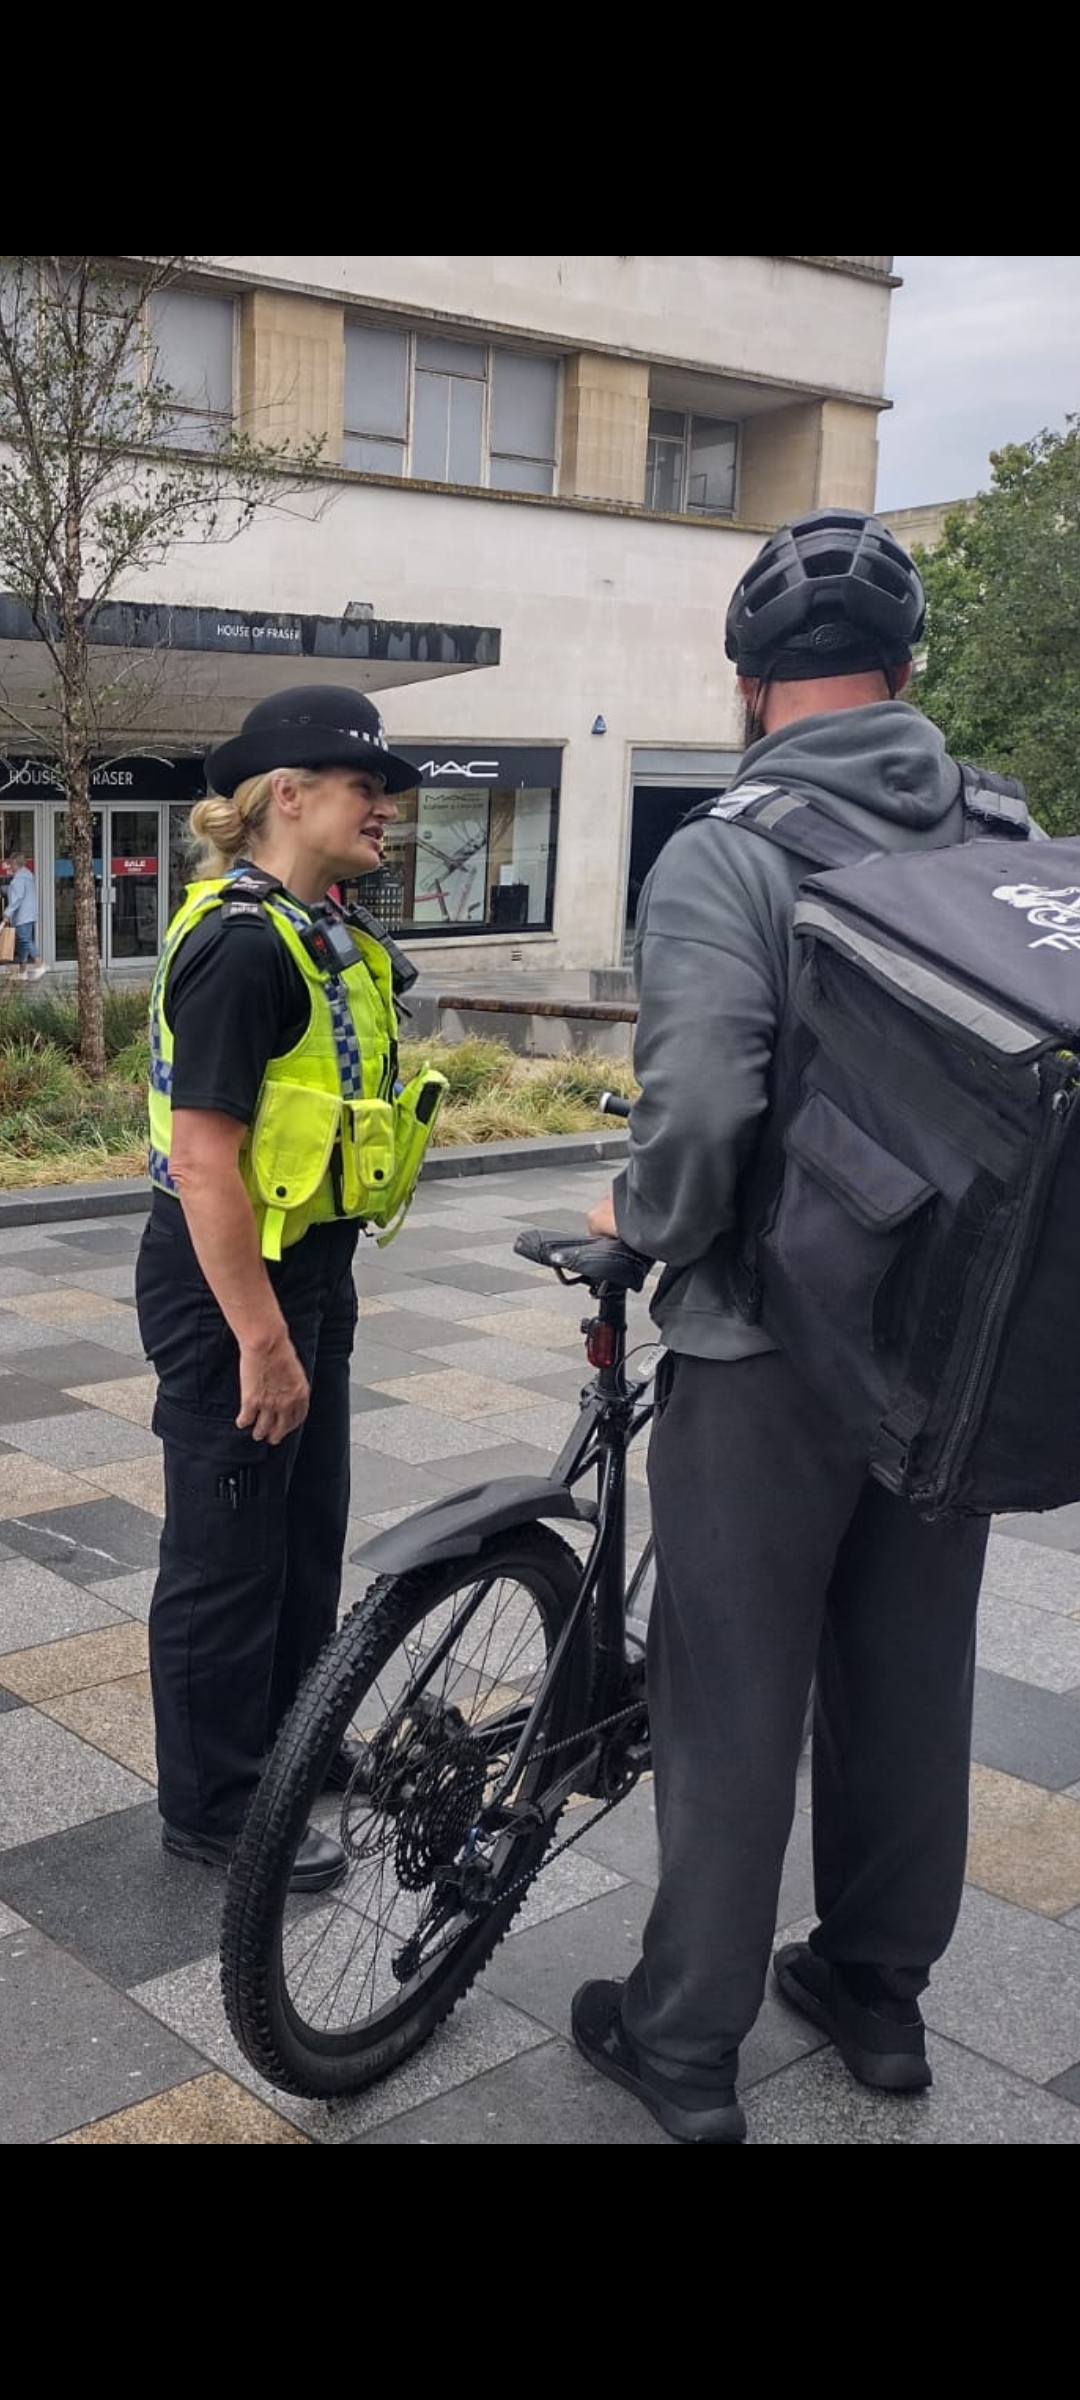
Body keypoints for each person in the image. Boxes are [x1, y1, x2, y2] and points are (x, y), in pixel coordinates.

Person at [573, 508, 1038, 2144]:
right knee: (910, 1672)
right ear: (908, 672)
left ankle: (686, 2041)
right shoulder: (1008, 823)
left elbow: (700, 1104)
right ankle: (877, 1993)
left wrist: (654, 1229)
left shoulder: (731, 847)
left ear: (751, 687)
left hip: (768, 1351)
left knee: (734, 1690)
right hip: (959, 1355)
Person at [134, 685, 421, 1893]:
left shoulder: (323, 932)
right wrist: (261, 1341)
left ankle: (289, 1747)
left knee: (305, 1536)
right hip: (228, 1289)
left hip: (310, 1267)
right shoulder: (244, 945)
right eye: (367, 790)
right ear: (287, 798)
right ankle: (213, 1805)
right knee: (227, 1553)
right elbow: (202, 1161)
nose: (387, 815)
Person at [5, 855, 46, 979]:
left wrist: (7, 913)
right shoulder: (27, 876)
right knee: (22, 943)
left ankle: (40, 964)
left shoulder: (19, 879)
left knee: (25, 940)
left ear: (16, 864)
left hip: (23, 915)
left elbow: (17, 898)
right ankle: (22, 972)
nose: (9, 866)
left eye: (10, 864)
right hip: (28, 914)